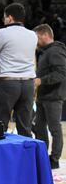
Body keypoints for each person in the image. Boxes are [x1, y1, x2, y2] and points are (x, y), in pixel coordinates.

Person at [0, 3, 38, 137]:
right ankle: (27, 157)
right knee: (25, 127)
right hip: (28, 84)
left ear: (10, 18)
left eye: (4, 18)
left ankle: (1, 157)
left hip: (7, 83)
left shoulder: (3, 33)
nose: (4, 21)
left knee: (1, 124)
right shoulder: (32, 34)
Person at [33, 24, 66, 169]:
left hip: (53, 96)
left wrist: (42, 80)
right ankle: (42, 155)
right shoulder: (46, 52)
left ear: (44, 35)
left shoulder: (55, 51)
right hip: (44, 96)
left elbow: (61, 73)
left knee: (54, 128)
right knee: (39, 127)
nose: (35, 41)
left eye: (36, 38)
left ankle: (55, 159)